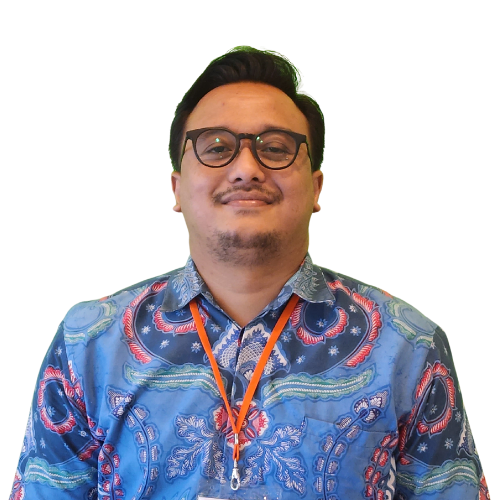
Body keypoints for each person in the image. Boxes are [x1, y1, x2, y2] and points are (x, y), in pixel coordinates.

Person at [10, 47, 489, 500]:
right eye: (217, 147)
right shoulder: (91, 343)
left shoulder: (405, 345)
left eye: (275, 148)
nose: (246, 168)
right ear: (177, 187)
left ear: (316, 187)